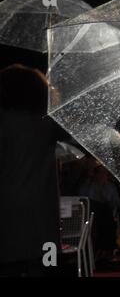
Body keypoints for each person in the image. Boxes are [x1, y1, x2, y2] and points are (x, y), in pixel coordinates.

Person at [0, 64, 69, 276]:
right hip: (42, 224)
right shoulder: (46, 125)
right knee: (44, 269)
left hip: (5, 222)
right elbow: (76, 135)